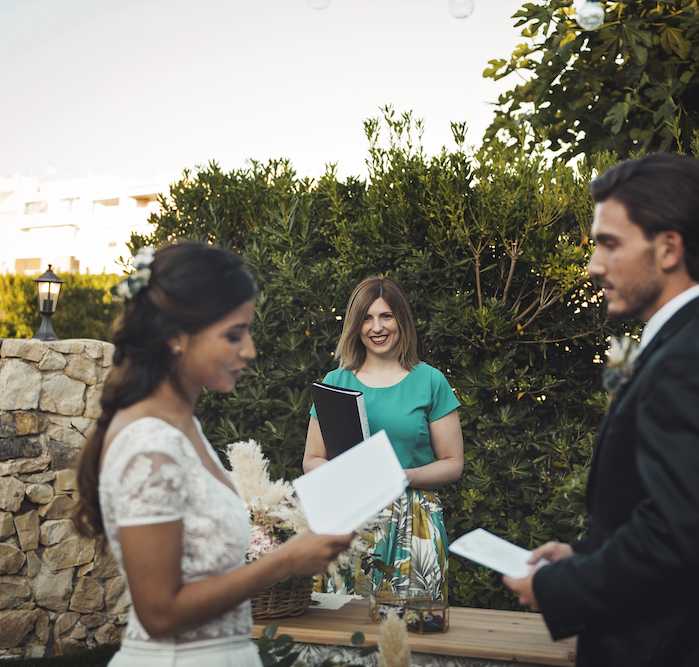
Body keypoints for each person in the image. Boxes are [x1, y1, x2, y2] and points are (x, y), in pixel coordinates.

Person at [502, 154, 699, 667]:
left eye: (610, 244)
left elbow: (673, 542)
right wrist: (584, 555)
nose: (594, 266)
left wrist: (560, 587)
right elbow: (681, 516)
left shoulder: (695, 360)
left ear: (669, 247)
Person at [73, 243, 352, 667]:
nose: (250, 350)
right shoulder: (148, 446)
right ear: (175, 336)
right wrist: (285, 561)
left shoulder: (185, 427)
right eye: (233, 335)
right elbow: (160, 613)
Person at [303, 275, 464, 601]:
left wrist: (404, 477)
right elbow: (312, 459)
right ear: (356, 325)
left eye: (386, 316)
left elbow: (453, 463)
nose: (377, 327)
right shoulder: (336, 380)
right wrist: (350, 478)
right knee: (346, 628)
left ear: (400, 319)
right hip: (350, 520)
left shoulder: (431, 381)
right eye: (367, 318)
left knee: (415, 628)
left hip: (413, 521)